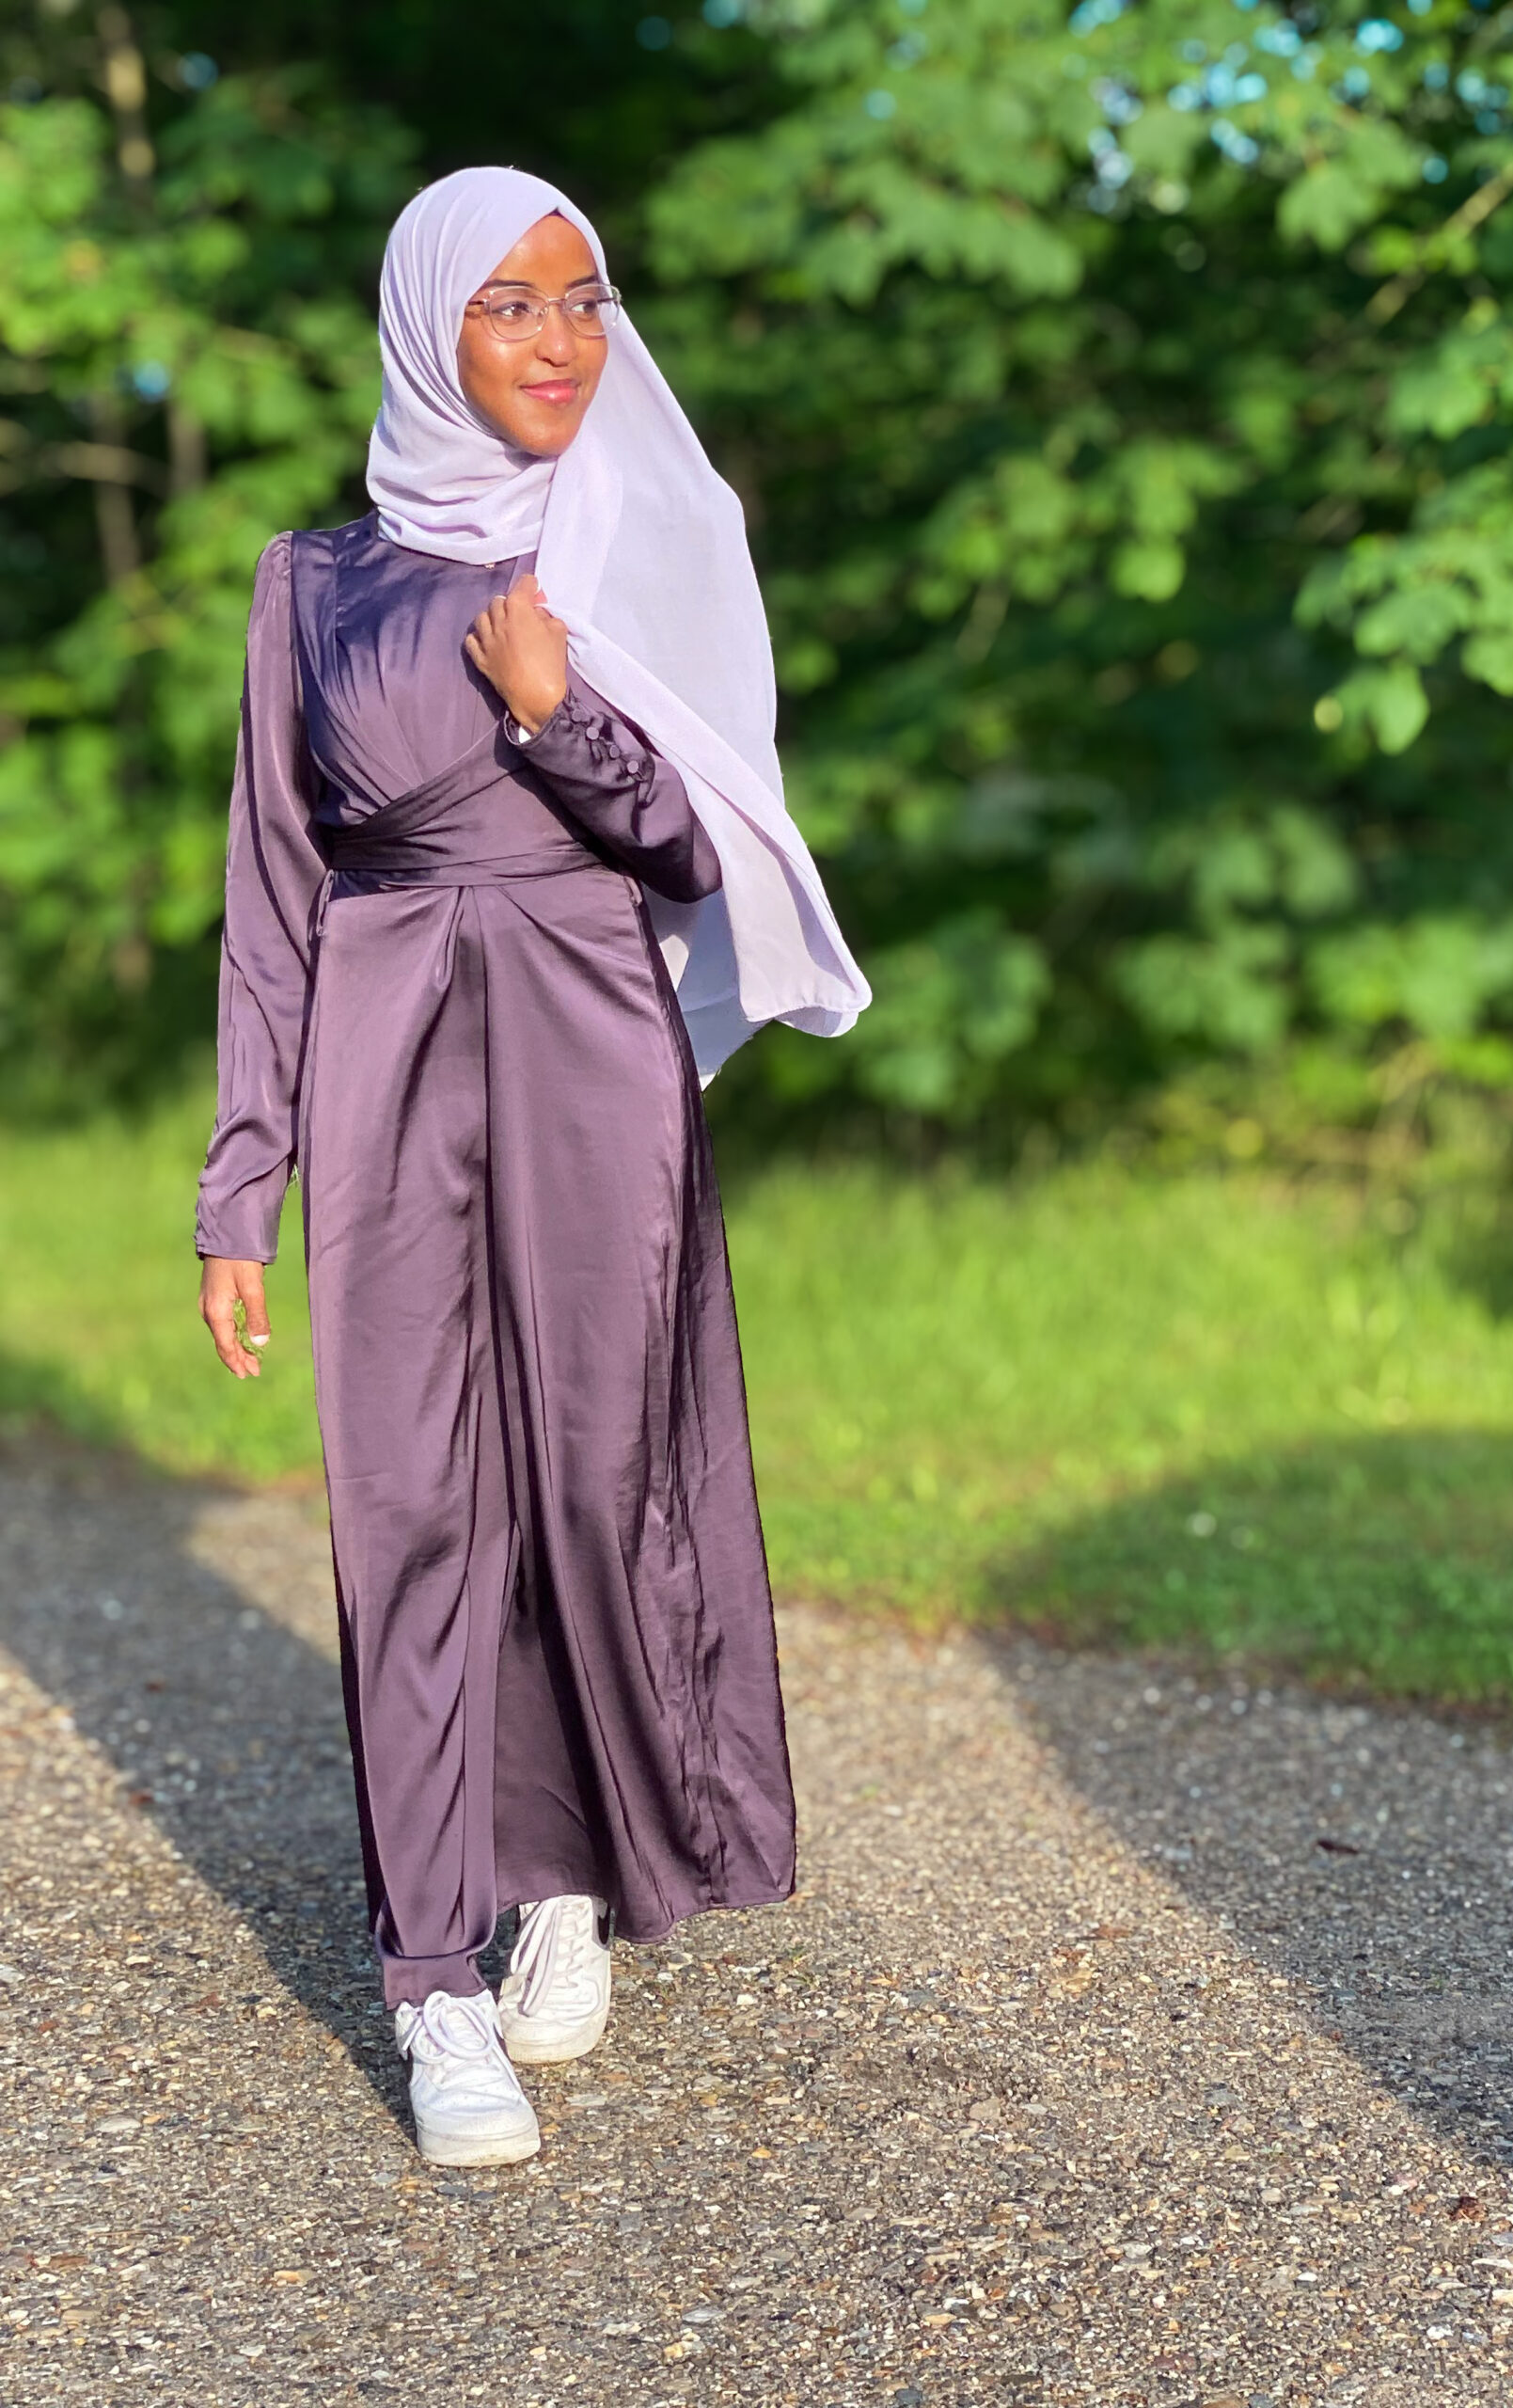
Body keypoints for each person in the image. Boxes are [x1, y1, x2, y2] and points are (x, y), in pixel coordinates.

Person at [193, 167, 868, 2168]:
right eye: (512, 304)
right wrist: (241, 1183)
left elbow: (693, 847)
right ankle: (430, 1979)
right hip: (386, 1046)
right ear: (429, 327)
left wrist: (560, 712)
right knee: (409, 1494)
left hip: (592, 1050)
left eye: (586, 298)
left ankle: (559, 1877)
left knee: (592, 1477)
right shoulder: (312, 583)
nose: (563, 340)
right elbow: (272, 896)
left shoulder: (633, 539)